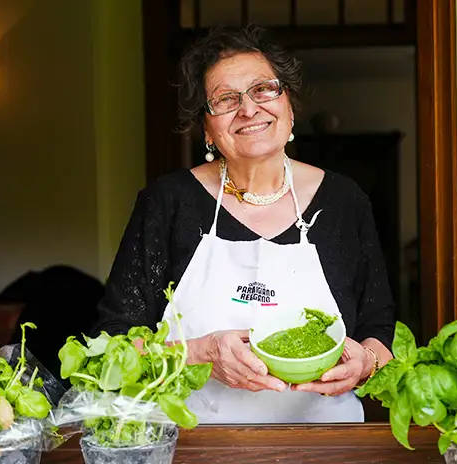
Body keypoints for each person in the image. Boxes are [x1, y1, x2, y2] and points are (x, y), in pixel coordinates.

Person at [93, 24, 395, 424]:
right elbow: (113, 343)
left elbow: (378, 330)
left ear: (289, 105)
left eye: (263, 89)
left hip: (325, 447)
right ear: (206, 128)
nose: (248, 109)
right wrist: (199, 354)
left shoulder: (344, 201)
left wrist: (366, 362)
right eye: (225, 99)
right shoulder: (167, 203)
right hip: (191, 446)